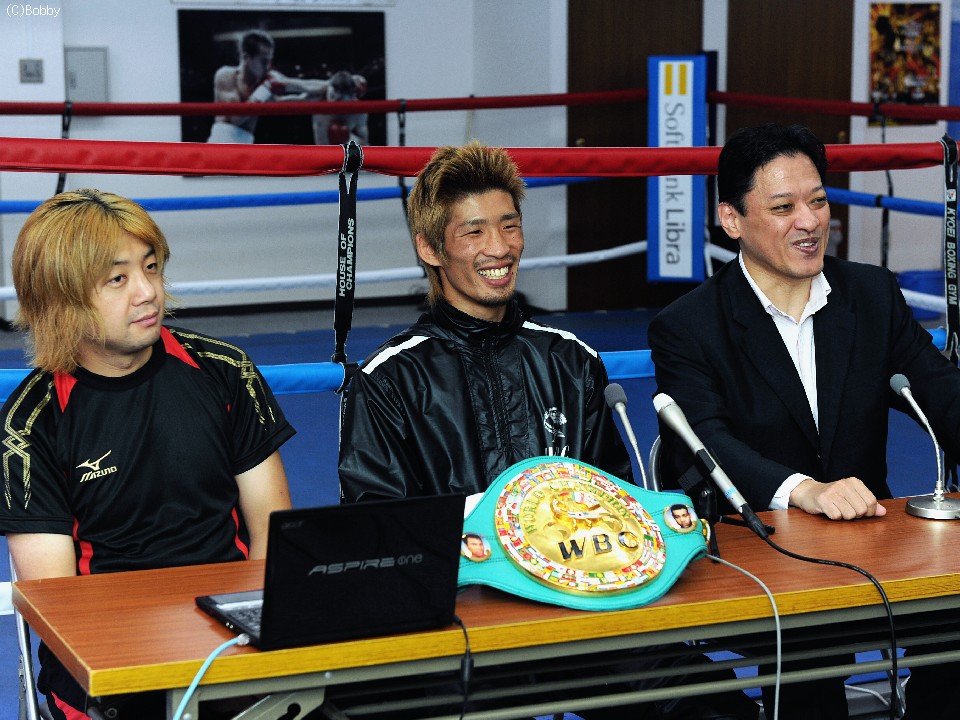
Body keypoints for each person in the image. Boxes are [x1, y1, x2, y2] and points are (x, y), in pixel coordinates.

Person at [339, 141, 759, 719]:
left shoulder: (571, 360)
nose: (499, 247)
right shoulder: (389, 379)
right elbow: (375, 531)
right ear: (430, 248)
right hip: (460, 625)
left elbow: (612, 504)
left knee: (712, 707)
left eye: (509, 225)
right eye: (474, 232)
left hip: (583, 618)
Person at [648, 122, 960, 719]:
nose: (809, 221)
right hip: (758, 549)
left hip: (872, 543)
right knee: (807, 662)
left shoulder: (870, 294)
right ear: (731, 219)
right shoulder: (689, 325)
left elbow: (940, 393)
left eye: (818, 201)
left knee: (953, 627)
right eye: (783, 207)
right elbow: (702, 441)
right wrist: (803, 490)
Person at [0, 189, 296, 720]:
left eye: (151, 266)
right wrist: (158, 660)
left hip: (229, 644)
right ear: (61, 299)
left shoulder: (225, 370)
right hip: (110, 667)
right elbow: (59, 606)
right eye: (117, 279)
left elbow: (271, 536)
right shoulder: (30, 424)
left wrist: (248, 647)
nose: (147, 292)